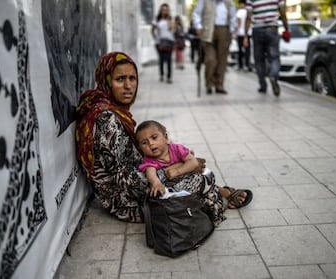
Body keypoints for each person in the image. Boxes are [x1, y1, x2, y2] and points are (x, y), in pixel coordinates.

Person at [76, 51, 253, 227]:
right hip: (126, 200)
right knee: (200, 177)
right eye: (120, 79)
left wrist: (172, 163)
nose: (128, 86)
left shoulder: (114, 110)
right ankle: (219, 196)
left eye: (132, 78)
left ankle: (218, 192)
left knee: (185, 160)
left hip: (141, 178)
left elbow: (135, 157)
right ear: (106, 81)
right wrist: (175, 169)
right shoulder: (106, 118)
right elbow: (125, 180)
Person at [243, 0, 290, 96]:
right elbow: (282, 12)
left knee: (259, 60)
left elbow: (248, 17)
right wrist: (286, 29)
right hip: (272, 28)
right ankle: (273, 76)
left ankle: (263, 85)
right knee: (274, 58)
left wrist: (245, 36)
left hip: (257, 30)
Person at [192, 0, 237, 95]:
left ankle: (219, 85)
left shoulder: (229, 2)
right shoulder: (204, 1)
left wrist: (233, 30)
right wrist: (198, 26)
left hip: (224, 30)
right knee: (211, 60)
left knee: (222, 60)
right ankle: (209, 84)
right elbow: (196, 13)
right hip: (208, 31)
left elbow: (233, 17)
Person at [151, 3, 175, 84]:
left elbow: (172, 29)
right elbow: (152, 29)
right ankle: (161, 74)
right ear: (161, 10)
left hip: (169, 41)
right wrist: (155, 37)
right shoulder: (157, 19)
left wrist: (168, 20)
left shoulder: (171, 19)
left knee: (169, 59)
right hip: (159, 42)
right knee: (161, 59)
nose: (165, 11)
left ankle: (169, 77)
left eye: (166, 10)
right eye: (163, 9)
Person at [235, 0, 252, 72]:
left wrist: (236, 32)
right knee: (247, 50)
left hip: (240, 33)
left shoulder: (239, 12)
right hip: (248, 33)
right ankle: (247, 65)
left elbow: (238, 23)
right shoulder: (248, 11)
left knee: (240, 50)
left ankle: (240, 65)